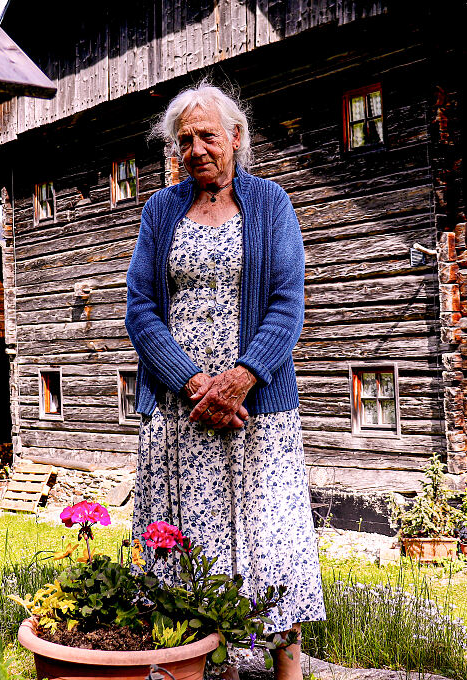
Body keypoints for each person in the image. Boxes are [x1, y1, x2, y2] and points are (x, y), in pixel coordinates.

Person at [125, 81, 325, 680]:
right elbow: (140, 308)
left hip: (256, 408)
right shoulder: (160, 211)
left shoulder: (271, 205)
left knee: (272, 541)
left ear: (236, 138)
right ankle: (213, 671)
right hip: (181, 410)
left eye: (208, 135)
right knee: (190, 545)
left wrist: (240, 379)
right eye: (184, 140)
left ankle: (288, 674)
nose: (196, 149)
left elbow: (288, 305)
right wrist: (193, 384)